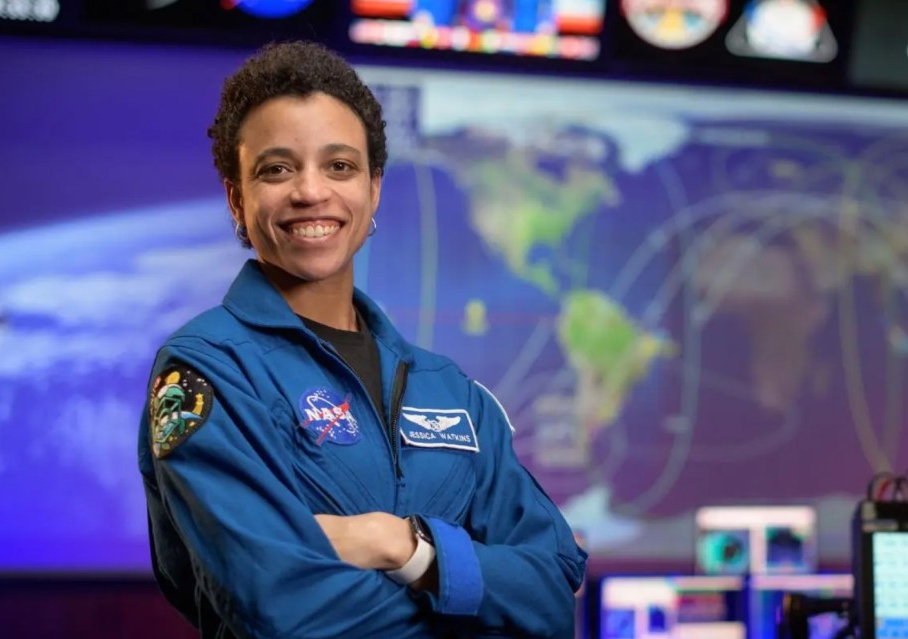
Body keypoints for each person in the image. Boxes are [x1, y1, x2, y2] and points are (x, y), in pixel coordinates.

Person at [138, 40, 587, 639]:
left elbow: (553, 595)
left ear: (373, 190)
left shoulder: (449, 389)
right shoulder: (209, 369)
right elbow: (278, 606)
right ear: (236, 198)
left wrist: (402, 545)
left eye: (340, 166)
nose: (310, 191)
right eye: (276, 169)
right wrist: (471, 603)